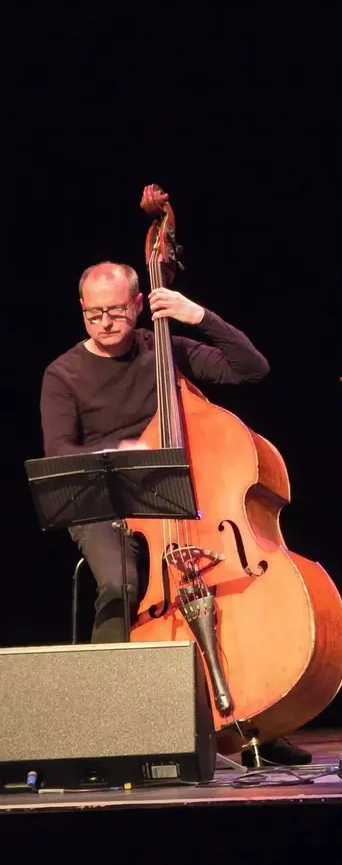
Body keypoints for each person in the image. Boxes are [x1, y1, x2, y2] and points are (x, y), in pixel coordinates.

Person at [39, 260, 309, 767]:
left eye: (116, 311)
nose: (104, 322)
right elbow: (59, 455)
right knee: (120, 582)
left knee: (226, 589)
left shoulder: (167, 349)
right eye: (93, 313)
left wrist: (198, 315)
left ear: (138, 304)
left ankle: (251, 721)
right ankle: (112, 722)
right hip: (105, 505)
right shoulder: (63, 373)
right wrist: (124, 450)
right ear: (81, 310)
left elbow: (251, 368)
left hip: (186, 501)